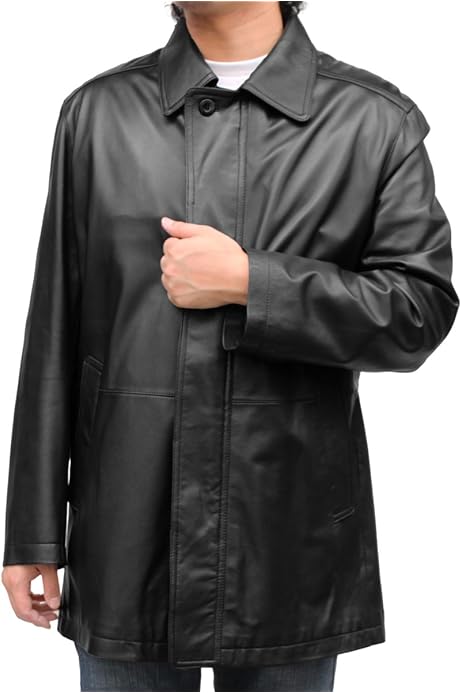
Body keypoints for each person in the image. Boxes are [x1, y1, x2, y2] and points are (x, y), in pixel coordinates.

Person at [2, 2, 459, 692]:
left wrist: (254, 282)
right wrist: (32, 528)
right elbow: (54, 331)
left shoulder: (372, 121)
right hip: (125, 527)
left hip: (289, 531)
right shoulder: (97, 113)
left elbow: (418, 312)